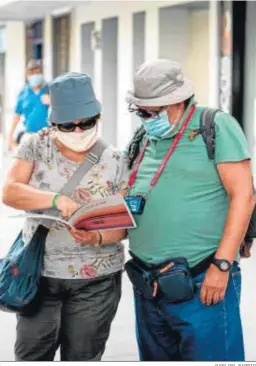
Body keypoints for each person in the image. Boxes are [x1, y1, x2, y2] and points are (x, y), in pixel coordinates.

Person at [124, 59, 255, 361]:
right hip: (148, 286)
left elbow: (244, 196)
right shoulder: (142, 138)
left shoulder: (216, 126)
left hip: (201, 281)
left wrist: (222, 266)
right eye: (140, 111)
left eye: (151, 111)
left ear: (179, 101)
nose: (145, 118)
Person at [2, 72, 128, 361]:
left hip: (96, 281)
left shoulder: (116, 159)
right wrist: (55, 200)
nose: (78, 130)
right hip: (39, 276)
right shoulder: (35, 146)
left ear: (97, 116)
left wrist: (96, 235)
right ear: (53, 123)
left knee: (83, 356)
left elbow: (124, 226)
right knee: (32, 353)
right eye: (68, 125)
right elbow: (9, 192)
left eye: (86, 123)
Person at [8, 59, 50, 150]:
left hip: (49, 136)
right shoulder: (23, 93)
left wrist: (52, 102)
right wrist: (10, 136)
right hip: (30, 136)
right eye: (32, 73)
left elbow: (63, 110)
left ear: (41, 73)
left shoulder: (49, 89)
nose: (35, 76)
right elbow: (16, 116)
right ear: (27, 75)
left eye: (37, 73)